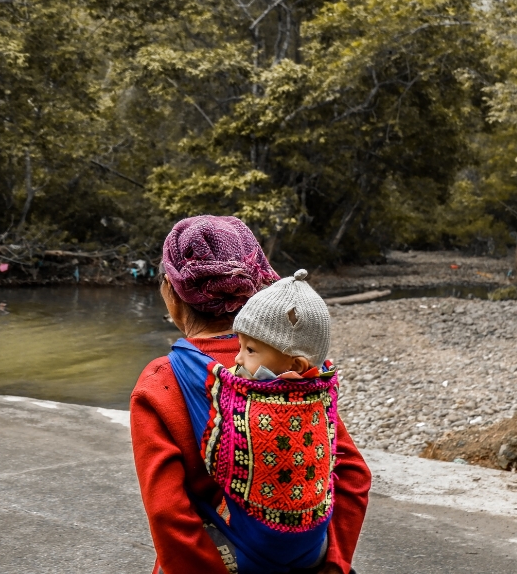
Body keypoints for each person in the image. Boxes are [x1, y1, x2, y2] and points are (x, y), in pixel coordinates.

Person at [130, 215, 370, 574]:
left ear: (172, 292)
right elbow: (351, 473)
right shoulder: (291, 369)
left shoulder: (161, 381)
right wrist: (332, 563)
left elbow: (169, 513)